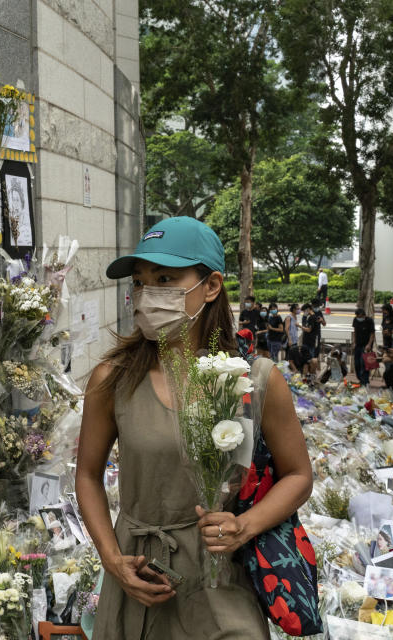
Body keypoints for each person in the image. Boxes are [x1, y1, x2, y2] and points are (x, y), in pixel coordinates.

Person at [77, 216, 312, 640]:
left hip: (220, 579)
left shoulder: (255, 380)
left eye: (165, 278)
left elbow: (298, 475)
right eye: (141, 281)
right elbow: (88, 475)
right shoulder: (112, 379)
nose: (148, 295)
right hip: (139, 576)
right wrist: (113, 561)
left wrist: (247, 524)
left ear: (211, 285)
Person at [352, 307, 376, 387]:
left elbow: (372, 334)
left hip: (366, 346)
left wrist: (369, 344)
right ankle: (360, 379)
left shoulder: (369, 321)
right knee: (357, 363)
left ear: (363, 315)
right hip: (358, 344)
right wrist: (354, 342)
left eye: (360, 317)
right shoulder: (355, 320)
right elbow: (355, 331)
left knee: (364, 364)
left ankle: (365, 382)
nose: (358, 318)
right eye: (357, 316)